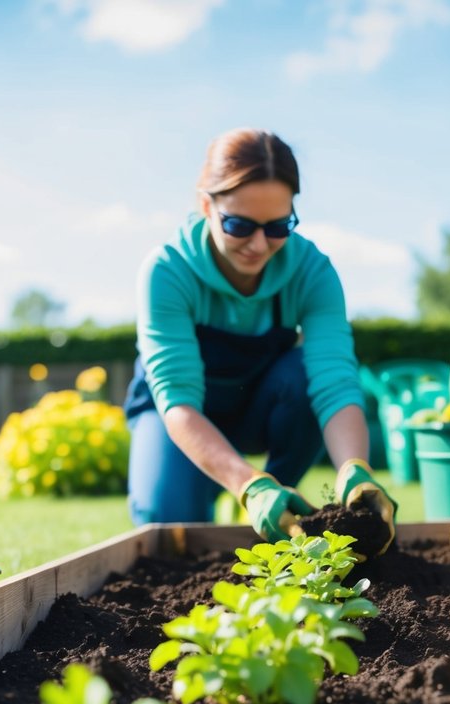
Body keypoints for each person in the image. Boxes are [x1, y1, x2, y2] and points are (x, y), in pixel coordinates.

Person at [124, 127, 396, 549]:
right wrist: (245, 483)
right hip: (180, 416)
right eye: (238, 224)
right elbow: (177, 400)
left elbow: (334, 381)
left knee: (302, 373)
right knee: (168, 526)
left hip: (257, 405)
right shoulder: (167, 271)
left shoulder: (312, 272)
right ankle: (246, 488)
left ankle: (274, 494)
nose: (258, 245)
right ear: (205, 206)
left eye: (277, 226)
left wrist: (354, 469)